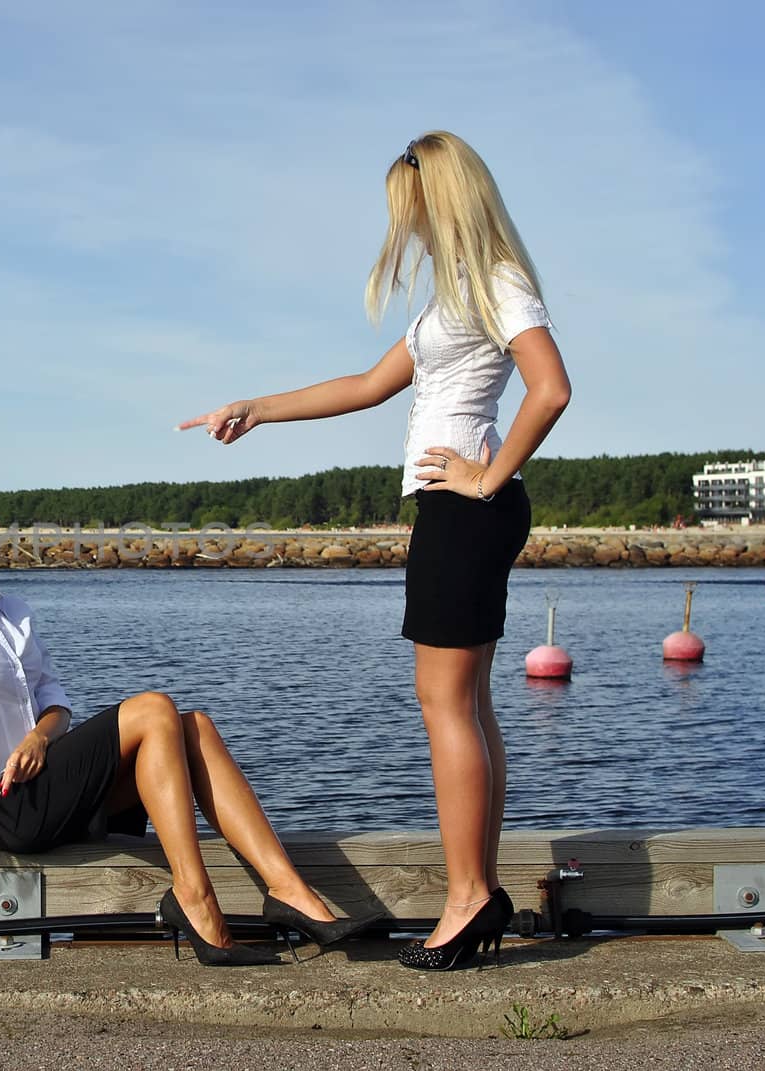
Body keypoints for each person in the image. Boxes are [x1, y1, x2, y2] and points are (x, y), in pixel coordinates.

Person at [180, 131, 571, 971]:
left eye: (414, 209)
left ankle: (468, 897)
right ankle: (479, 890)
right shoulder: (453, 297)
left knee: (446, 707)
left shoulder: (498, 282)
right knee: (467, 705)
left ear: (446, 201)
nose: (407, 227)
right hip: (460, 510)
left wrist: (486, 475)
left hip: (466, 510)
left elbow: (552, 387)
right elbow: (364, 385)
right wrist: (259, 407)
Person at [0, 470, 383, 967]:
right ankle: (196, 900)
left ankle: (291, 893)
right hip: (8, 807)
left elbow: (56, 703)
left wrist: (42, 735)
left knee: (192, 725)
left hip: (52, 786)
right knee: (154, 709)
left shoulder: (9, 610)